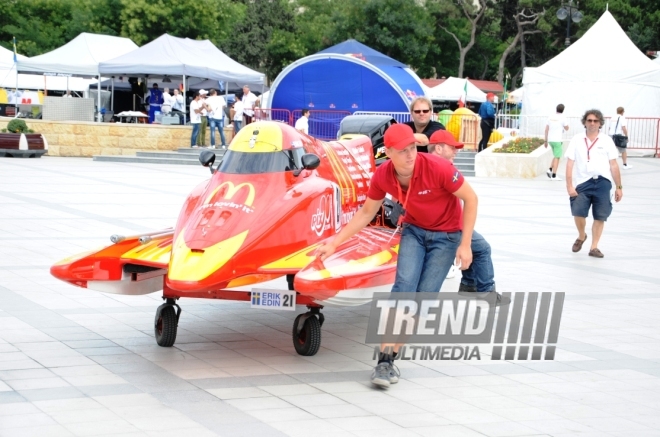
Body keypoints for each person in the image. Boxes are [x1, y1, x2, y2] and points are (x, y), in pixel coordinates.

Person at [317, 124, 477, 389]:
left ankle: (391, 357)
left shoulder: (438, 168)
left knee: (422, 301)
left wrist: (466, 244)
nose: (410, 155)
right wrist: (335, 243)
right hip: (414, 232)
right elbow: (366, 213)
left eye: (413, 148)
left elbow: (471, 199)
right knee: (403, 290)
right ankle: (384, 361)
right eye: (403, 151)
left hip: (447, 237)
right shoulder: (383, 175)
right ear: (388, 152)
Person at [428, 130, 507, 303]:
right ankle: (486, 292)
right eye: (452, 148)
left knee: (476, 247)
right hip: (447, 228)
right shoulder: (446, 170)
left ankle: (469, 284)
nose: (456, 151)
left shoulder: (425, 167)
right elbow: (470, 198)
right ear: (439, 149)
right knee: (483, 248)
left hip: (441, 225)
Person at [565, 109, 623, 258]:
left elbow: (614, 165)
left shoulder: (607, 141)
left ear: (600, 123)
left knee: (600, 216)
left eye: (595, 121)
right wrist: (569, 186)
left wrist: (619, 187)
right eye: (589, 120)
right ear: (584, 122)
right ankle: (581, 235)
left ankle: (594, 247)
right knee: (578, 212)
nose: (592, 123)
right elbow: (570, 164)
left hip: (603, 181)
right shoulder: (577, 139)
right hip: (583, 182)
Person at [545, 104, 569, 181]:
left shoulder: (550, 117)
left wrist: (545, 140)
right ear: (563, 110)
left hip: (550, 140)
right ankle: (554, 175)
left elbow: (546, 129)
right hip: (557, 140)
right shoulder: (563, 118)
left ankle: (550, 169)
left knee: (555, 155)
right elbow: (567, 128)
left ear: (556, 109)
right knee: (557, 157)